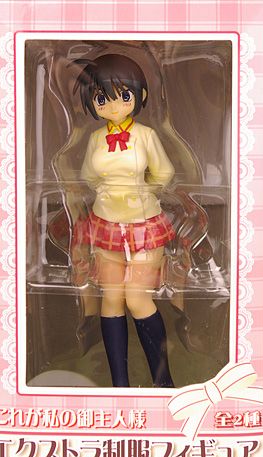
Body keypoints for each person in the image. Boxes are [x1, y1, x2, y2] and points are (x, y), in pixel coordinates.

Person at [73, 53, 176, 387]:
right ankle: (120, 385)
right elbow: (88, 176)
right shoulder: (95, 140)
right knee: (112, 298)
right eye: (102, 98)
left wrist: (142, 192)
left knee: (137, 297)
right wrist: (109, 195)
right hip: (106, 223)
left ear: (140, 96)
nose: (114, 105)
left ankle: (163, 382)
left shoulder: (145, 135)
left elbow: (164, 173)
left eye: (124, 95)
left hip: (144, 223)